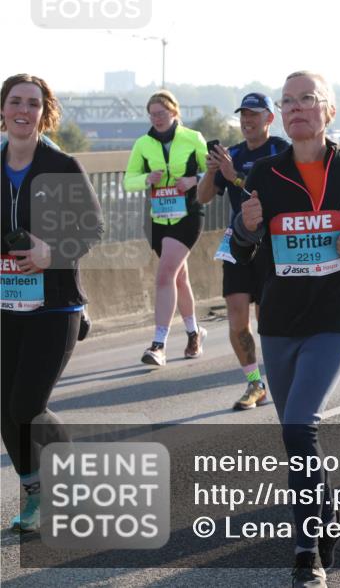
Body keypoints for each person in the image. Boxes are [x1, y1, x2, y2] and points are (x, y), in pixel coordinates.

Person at [230, 71, 340, 586]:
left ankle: (307, 552)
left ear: (328, 111)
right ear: (282, 116)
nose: (297, 108)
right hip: (279, 320)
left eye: (308, 99)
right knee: (295, 436)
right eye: (288, 102)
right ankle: (324, 516)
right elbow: (240, 249)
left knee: (301, 425)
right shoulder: (262, 174)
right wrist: (246, 227)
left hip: (334, 316)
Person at [1, 74, 104, 532]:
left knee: (26, 405)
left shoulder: (62, 166)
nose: (23, 110)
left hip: (55, 306)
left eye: (33, 104)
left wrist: (51, 253)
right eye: (15, 102)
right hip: (5, 306)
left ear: (45, 113)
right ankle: (35, 490)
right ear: (3, 110)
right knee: (4, 408)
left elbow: (93, 231)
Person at [196, 93, 289, 410]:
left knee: (268, 319)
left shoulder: (280, 150)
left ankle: (279, 377)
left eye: (254, 115)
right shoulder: (231, 154)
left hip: (270, 244)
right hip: (237, 242)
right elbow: (204, 198)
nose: (247, 121)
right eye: (243, 115)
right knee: (237, 316)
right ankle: (254, 384)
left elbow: (270, 192)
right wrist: (212, 171)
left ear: (269, 119)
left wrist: (233, 174)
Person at [124, 90, 209, 367]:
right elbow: (129, 181)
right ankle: (194, 334)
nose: (157, 119)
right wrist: (147, 178)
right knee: (179, 278)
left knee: (164, 276)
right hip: (158, 219)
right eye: (152, 114)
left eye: (161, 113)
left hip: (188, 216)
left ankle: (158, 345)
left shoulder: (192, 138)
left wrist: (193, 180)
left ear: (174, 113)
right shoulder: (143, 144)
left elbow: (213, 170)